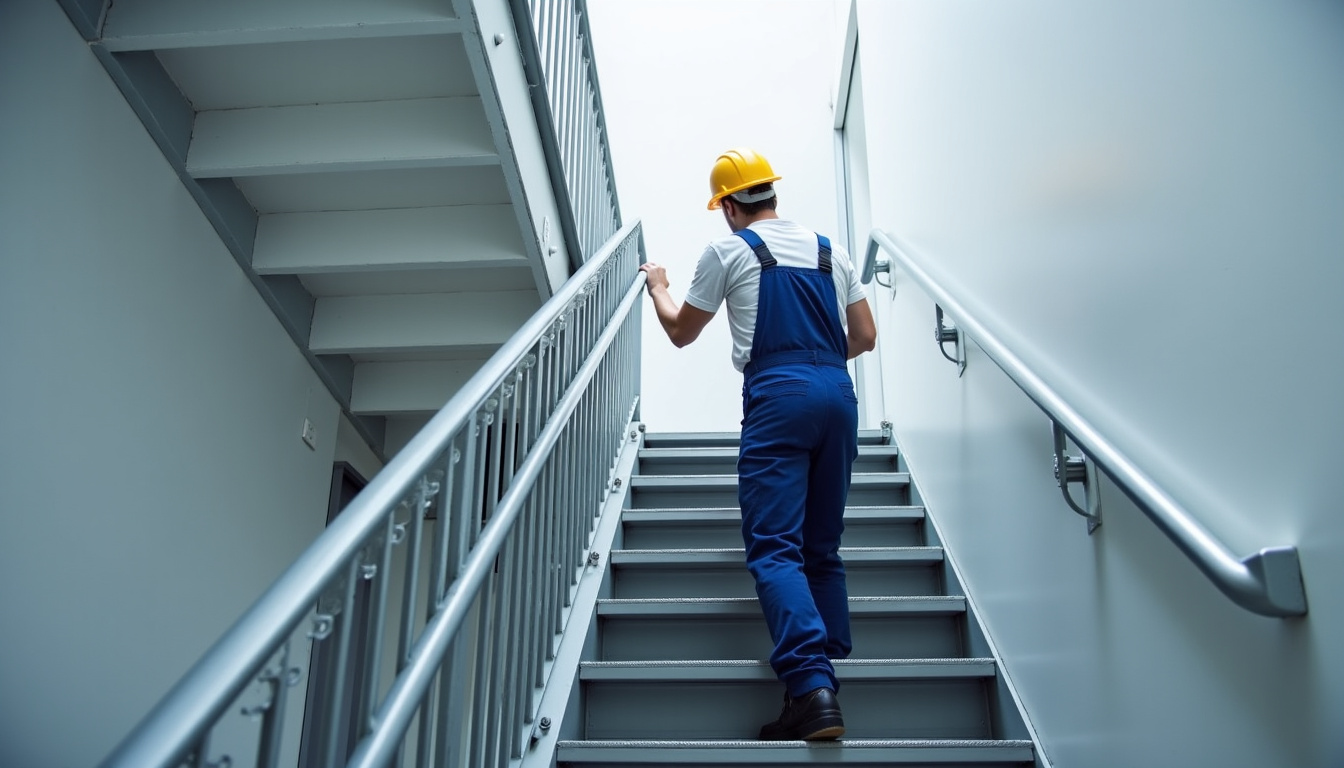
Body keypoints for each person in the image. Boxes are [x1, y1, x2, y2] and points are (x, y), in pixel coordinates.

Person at [639, 147, 877, 740]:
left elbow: (680, 332)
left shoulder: (729, 250)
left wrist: (658, 286)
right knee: (821, 547)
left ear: (726, 208)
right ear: (771, 193)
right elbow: (866, 336)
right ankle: (828, 670)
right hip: (837, 392)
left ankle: (811, 687)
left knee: (775, 548)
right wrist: (819, 364)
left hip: (778, 395)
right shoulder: (831, 250)